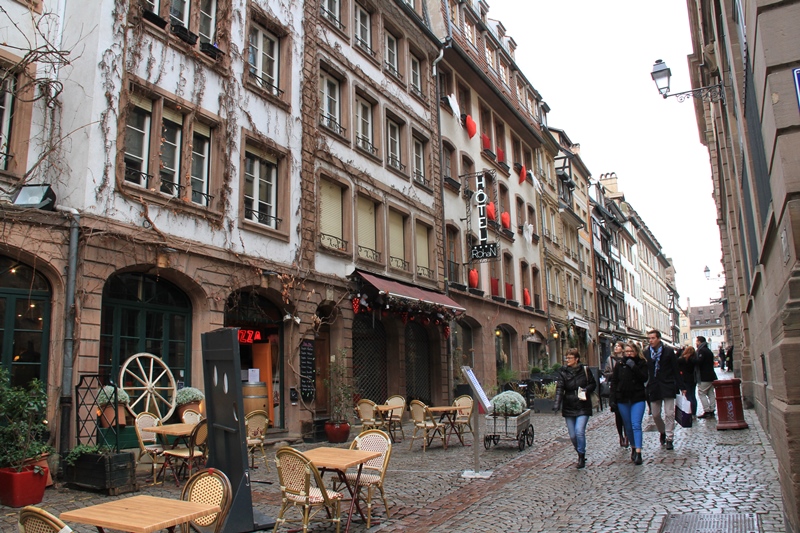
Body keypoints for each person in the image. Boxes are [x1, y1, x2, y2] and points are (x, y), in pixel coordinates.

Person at [553, 348, 596, 469]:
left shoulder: (585, 370)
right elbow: (560, 388)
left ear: (576, 359)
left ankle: (581, 456)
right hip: (569, 405)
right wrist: (557, 404)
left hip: (583, 404)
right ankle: (579, 451)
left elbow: (593, 383)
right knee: (572, 435)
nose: (567, 360)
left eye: (570, 358)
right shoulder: (563, 372)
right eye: (566, 358)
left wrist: (586, 389)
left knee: (579, 431)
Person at [645, 330, 685, 450]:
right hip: (654, 386)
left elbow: (675, 369)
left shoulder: (668, 351)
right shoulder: (646, 353)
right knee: (655, 414)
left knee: (669, 413)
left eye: (653, 338)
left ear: (659, 339)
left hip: (667, 385)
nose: (651, 340)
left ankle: (669, 438)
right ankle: (662, 431)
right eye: (649, 338)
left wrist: (682, 386)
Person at [610, 342, 649, 465]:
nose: (629, 354)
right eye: (627, 351)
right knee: (628, 426)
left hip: (637, 398)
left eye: (631, 351)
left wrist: (634, 367)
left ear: (636, 352)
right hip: (623, 399)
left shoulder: (642, 363)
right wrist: (612, 399)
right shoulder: (620, 364)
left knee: (636, 424)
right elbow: (614, 382)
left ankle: (638, 452)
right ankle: (633, 446)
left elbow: (644, 378)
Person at [603, 341, 628, 448]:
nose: (616, 347)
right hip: (615, 389)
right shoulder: (610, 359)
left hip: (625, 389)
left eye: (618, 346)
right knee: (618, 415)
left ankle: (627, 435)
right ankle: (621, 436)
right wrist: (615, 373)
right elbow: (606, 372)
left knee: (626, 415)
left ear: (622, 348)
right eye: (615, 346)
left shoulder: (627, 358)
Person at [696, 336, 718, 418]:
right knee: (711, 393)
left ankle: (707, 410)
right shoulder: (709, 351)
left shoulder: (702, 351)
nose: (696, 343)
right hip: (711, 375)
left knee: (701, 393)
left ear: (699, 342)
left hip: (704, 376)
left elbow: (700, 362)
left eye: (697, 341)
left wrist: (693, 360)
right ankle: (712, 409)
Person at [678, 345, 699, 418]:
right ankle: (694, 412)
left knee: (688, 396)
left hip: (685, 379)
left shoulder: (682, 360)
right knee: (693, 395)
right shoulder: (694, 360)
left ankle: (689, 411)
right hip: (693, 379)